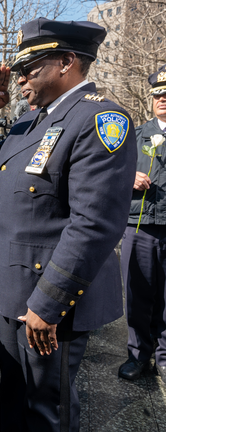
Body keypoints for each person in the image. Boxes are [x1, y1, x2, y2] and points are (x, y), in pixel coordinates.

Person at [0, 18, 136, 432]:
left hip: (48, 299)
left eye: (31, 67)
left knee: (47, 410)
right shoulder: (33, 120)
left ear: (66, 62)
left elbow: (93, 224)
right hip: (10, 289)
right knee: (13, 399)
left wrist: (48, 304)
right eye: (20, 68)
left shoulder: (100, 120)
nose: (21, 78)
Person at [118, 65, 166, 384]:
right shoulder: (135, 136)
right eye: (158, 94)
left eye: (171, 93)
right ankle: (139, 354)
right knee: (138, 293)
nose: (163, 99)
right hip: (141, 225)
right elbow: (108, 175)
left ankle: (166, 357)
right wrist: (127, 177)